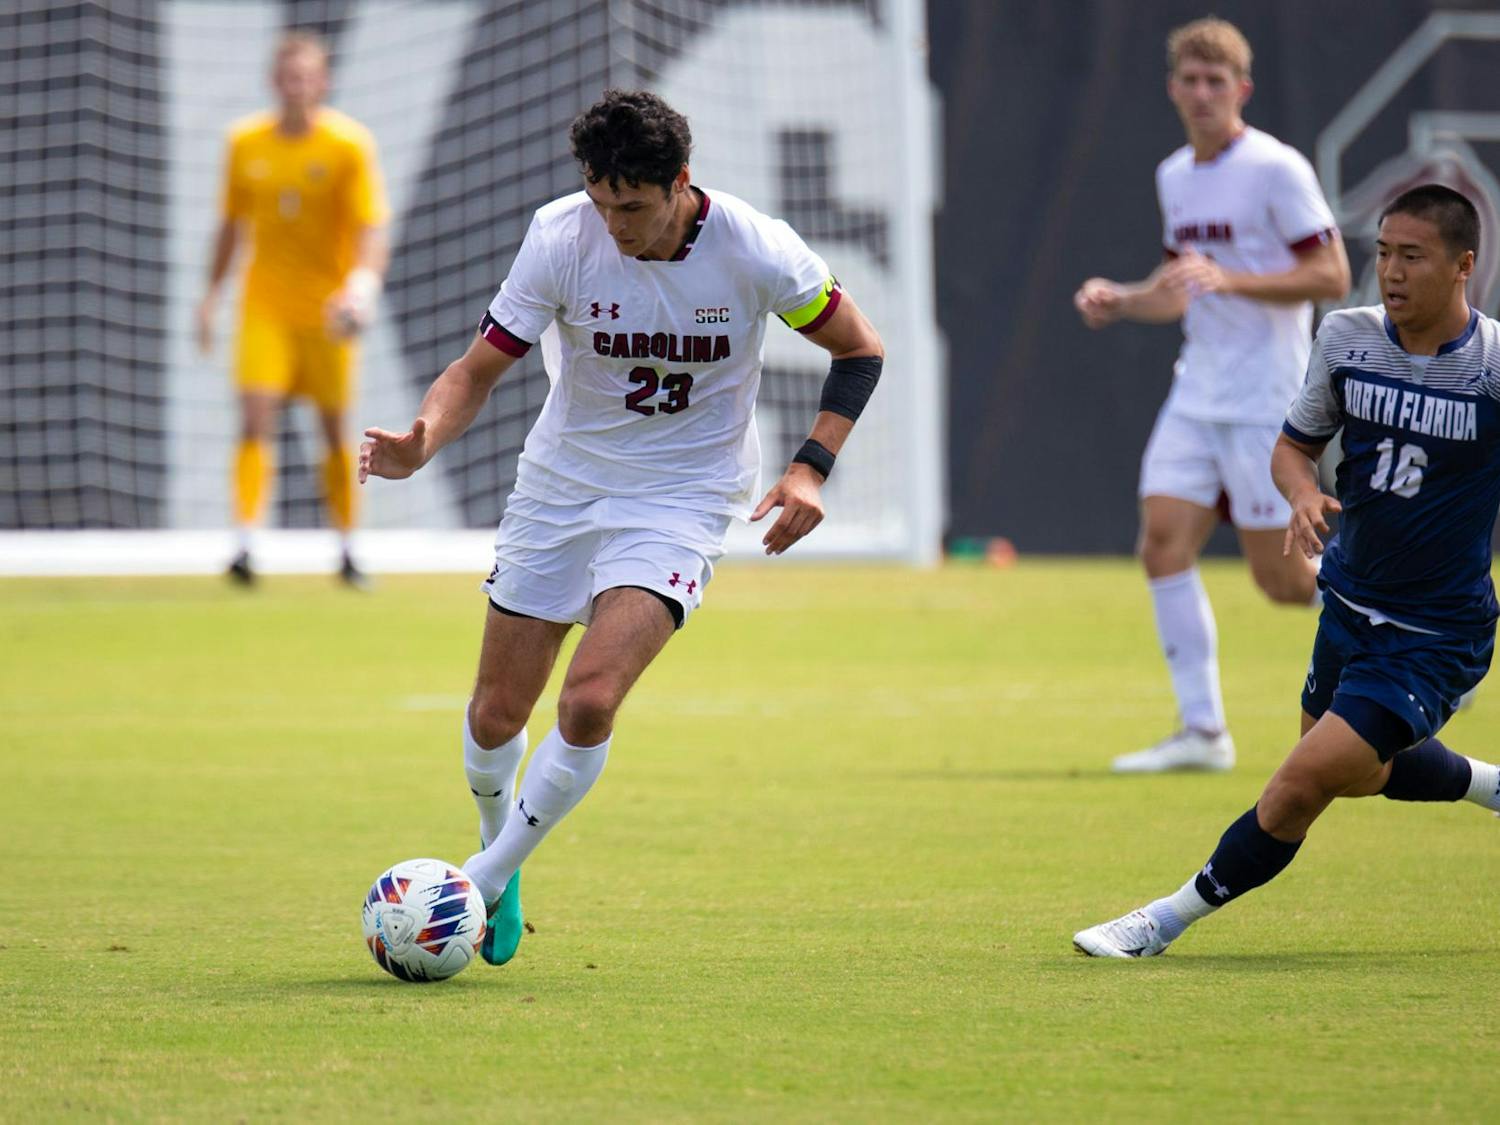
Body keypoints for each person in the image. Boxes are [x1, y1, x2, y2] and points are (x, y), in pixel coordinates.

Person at [359, 90, 884, 966]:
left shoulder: (757, 250)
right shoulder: (561, 235)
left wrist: (809, 468)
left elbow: (858, 348)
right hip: (561, 487)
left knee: (592, 697)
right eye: (601, 203)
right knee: (495, 717)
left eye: (631, 208)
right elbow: (477, 370)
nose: (613, 226)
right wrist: (423, 439)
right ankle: (502, 849)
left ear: (681, 183)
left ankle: (482, 879)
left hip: (682, 496)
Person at [1074, 184, 1500, 958]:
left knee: (1297, 785)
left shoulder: (1493, 369)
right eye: (1384, 253)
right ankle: (1485, 783)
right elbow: (1292, 446)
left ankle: (1158, 922)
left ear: (1463, 265)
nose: (1392, 272)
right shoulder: (1346, 338)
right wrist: (1302, 494)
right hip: (1348, 605)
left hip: (1435, 636)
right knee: (1360, 774)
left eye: (1414, 256)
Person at [1074, 18, 1351, 772]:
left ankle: (1401, 626)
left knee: (1287, 581)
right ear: (1172, 89)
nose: (1202, 93)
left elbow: (1333, 276)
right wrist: (1124, 299)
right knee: (1162, 540)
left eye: (1215, 81)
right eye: (1189, 81)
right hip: (1196, 391)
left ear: (1242, 90)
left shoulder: (1275, 168)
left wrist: (1234, 278)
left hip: (1267, 396)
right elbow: (1182, 291)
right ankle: (1202, 731)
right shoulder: (1174, 176)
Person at [197, 31, 390, 588]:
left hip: (327, 311)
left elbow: (369, 227)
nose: (296, 87)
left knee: (333, 431)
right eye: (287, 77)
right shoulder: (245, 144)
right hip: (265, 305)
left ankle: (350, 548)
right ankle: (245, 543)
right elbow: (230, 227)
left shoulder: (347, 145)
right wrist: (211, 295)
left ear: (321, 83)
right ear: (273, 82)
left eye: (306, 77)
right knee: (256, 416)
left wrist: (361, 286)